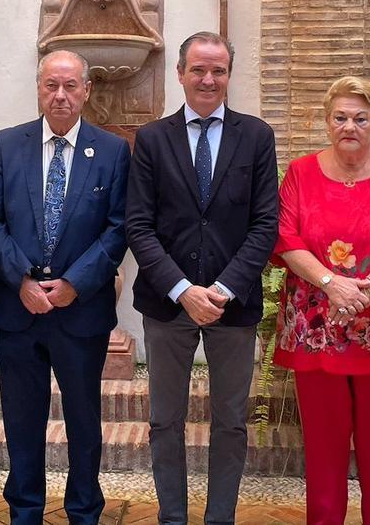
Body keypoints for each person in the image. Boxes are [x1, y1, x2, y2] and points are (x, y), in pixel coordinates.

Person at [126, 31, 278, 525]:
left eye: (218, 70)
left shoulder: (256, 137)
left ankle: (220, 518)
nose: (208, 79)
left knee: (231, 422)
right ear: (180, 74)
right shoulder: (153, 139)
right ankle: (172, 517)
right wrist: (182, 290)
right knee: (164, 420)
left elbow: (265, 224)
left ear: (229, 75)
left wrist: (224, 288)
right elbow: (139, 225)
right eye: (198, 69)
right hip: (167, 303)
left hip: (234, 304)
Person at [272, 76, 370, 525]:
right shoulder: (301, 173)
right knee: (323, 446)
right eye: (340, 117)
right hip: (317, 329)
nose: (349, 126)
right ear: (326, 122)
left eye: (361, 118)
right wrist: (331, 283)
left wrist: (365, 290)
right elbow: (285, 238)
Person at [0, 50, 130, 524]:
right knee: (22, 420)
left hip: (81, 311)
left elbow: (118, 228)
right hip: (18, 309)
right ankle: (25, 510)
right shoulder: (7, 144)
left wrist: (74, 284)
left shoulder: (113, 151)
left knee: (84, 420)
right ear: (39, 88)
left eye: (69, 86)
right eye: (51, 85)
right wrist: (21, 280)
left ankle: (83, 510)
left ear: (86, 90)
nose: (60, 95)